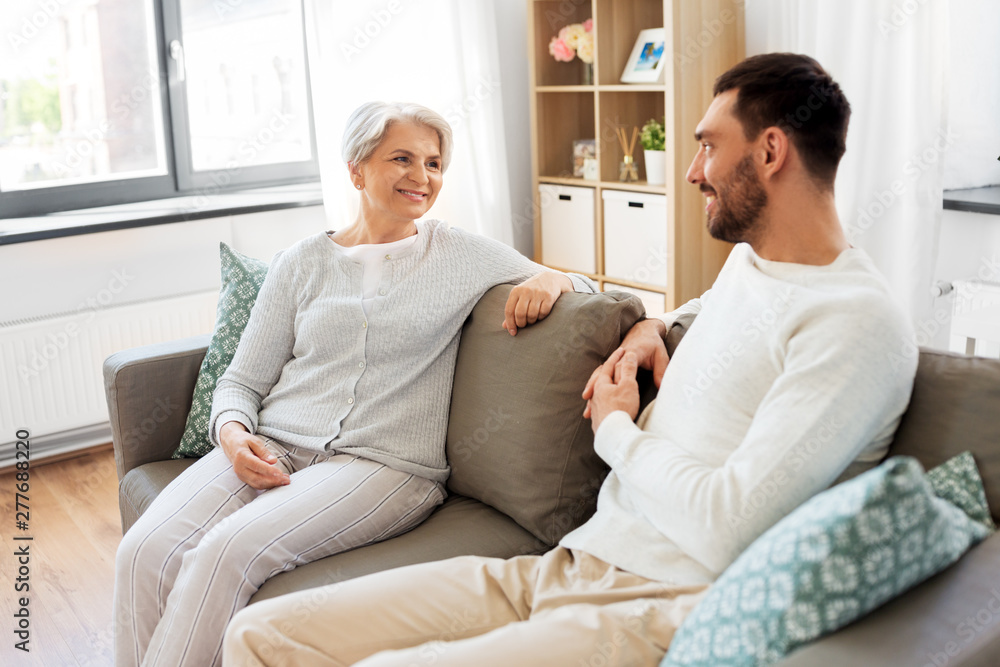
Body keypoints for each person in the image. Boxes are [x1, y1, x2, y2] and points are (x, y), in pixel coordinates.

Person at [221, 53, 918, 666]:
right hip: (565, 567)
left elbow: (730, 521)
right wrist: (652, 325)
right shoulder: (752, 268)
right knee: (260, 634)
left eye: (708, 146)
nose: (692, 171)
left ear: (770, 152)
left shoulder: (855, 323)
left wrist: (616, 429)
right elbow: (701, 315)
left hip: (663, 602)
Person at [113, 101, 596, 667]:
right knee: (143, 548)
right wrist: (233, 433)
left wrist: (555, 276)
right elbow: (241, 379)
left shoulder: (460, 253)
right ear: (356, 170)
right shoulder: (300, 262)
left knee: (227, 552)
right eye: (402, 158)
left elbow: (590, 290)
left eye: (434, 163)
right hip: (272, 443)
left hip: (384, 466)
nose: (422, 177)